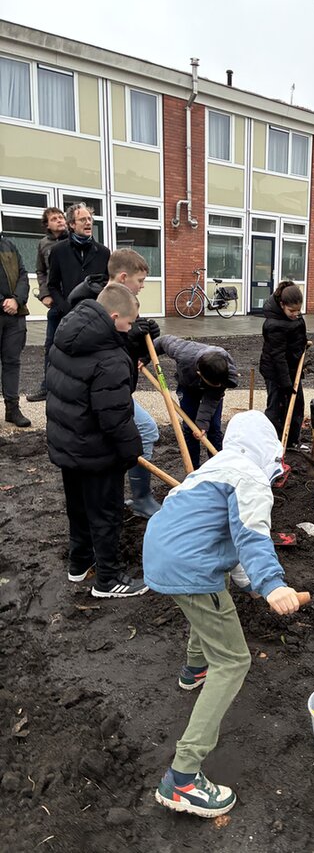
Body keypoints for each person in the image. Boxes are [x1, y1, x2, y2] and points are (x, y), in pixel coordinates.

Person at [143, 410, 302, 818]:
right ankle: (182, 777)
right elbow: (252, 536)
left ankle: (194, 669)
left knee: (213, 601)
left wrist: (251, 584)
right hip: (190, 567)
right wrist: (273, 584)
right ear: (269, 450)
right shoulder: (251, 478)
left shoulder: (213, 468)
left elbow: (221, 537)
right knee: (233, 661)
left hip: (162, 553)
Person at [46, 284, 147, 598]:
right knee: (106, 515)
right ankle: (108, 580)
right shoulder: (110, 359)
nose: (130, 328)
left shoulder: (65, 335)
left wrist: (129, 345)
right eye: (129, 323)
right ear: (114, 317)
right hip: (97, 451)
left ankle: (79, 564)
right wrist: (132, 452)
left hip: (68, 444)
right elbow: (115, 416)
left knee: (78, 508)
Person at [67, 248, 162, 518]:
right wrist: (129, 337)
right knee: (143, 431)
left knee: (139, 433)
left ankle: (134, 497)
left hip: (114, 389)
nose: (142, 286)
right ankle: (138, 498)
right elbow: (95, 350)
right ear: (123, 277)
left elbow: (125, 352)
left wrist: (143, 343)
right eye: (140, 281)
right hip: (96, 392)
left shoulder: (122, 301)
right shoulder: (89, 302)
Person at [154, 335, 238, 468]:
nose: (217, 386)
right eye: (214, 384)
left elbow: (212, 399)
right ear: (200, 374)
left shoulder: (225, 371)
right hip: (188, 386)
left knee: (214, 428)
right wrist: (144, 358)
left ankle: (218, 467)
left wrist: (202, 424)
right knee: (190, 427)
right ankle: (193, 468)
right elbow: (162, 341)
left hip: (212, 381)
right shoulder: (183, 352)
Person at [26, 207, 68, 402]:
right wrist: (44, 295)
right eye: (54, 218)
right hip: (55, 303)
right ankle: (47, 387)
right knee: (51, 345)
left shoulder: (73, 240)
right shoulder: (43, 244)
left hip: (73, 301)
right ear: (47, 224)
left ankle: (70, 388)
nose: (59, 220)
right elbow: (40, 271)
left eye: (61, 217)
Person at [259, 281, 308, 448]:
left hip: (292, 368)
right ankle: (273, 444)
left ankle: (292, 441)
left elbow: (297, 334)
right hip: (276, 371)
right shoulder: (274, 324)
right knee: (277, 407)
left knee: (297, 405)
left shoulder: (293, 316)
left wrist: (301, 345)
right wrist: (286, 383)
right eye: (291, 311)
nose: (296, 314)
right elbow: (278, 356)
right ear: (282, 305)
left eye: (298, 310)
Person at [47, 203, 110, 319]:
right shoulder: (58, 250)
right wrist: (64, 307)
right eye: (82, 220)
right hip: (68, 315)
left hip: (95, 315)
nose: (88, 223)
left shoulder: (103, 252)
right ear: (72, 224)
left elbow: (108, 283)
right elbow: (53, 285)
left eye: (89, 219)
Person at [0, 236, 31, 427]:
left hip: (15, 315)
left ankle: (12, 409)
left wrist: (16, 300)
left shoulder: (9, 245)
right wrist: (2, 302)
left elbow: (23, 275)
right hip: (5, 308)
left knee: (12, 362)